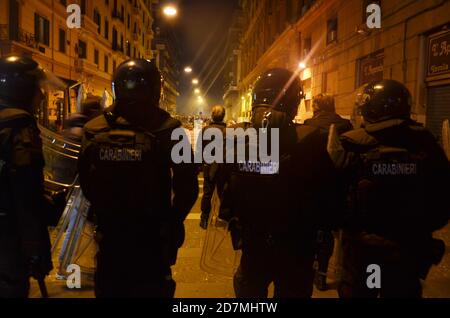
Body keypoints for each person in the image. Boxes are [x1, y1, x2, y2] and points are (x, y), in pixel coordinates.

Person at [78, 59, 199, 298]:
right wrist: (173, 220)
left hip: (110, 235)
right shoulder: (170, 128)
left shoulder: (94, 128)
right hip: (152, 238)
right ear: (155, 89)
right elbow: (188, 185)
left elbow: (85, 181)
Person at [219, 68, 337, 298]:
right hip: (297, 246)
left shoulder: (238, 139)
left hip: (253, 244)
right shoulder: (313, 140)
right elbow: (330, 195)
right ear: (294, 102)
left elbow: (225, 190)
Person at [329, 80, 450, 298]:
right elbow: (443, 200)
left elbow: (331, 198)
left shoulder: (351, 144)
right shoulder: (426, 144)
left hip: (361, 253)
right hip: (407, 253)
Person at [0, 55, 64, 297]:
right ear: (23, 89)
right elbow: (26, 197)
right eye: (37, 88)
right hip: (8, 241)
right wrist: (35, 251)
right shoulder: (19, 129)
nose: (42, 95)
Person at [304, 93, 353, 291]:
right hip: (336, 185)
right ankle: (322, 273)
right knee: (328, 230)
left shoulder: (309, 124)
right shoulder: (346, 125)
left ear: (315, 106)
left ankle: (309, 265)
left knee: (310, 228)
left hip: (311, 185)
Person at [199, 105, 227, 229]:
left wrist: (200, 165)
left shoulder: (205, 130)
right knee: (223, 193)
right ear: (223, 116)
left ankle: (204, 219)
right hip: (222, 168)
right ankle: (225, 218)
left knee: (207, 194)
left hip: (208, 166)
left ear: (212, 116)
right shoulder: (229, 131)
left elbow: (199, 149)